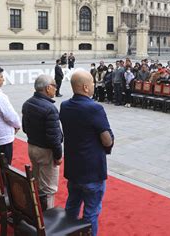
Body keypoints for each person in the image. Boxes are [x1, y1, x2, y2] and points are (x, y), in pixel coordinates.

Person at [60, 70, 114, 236]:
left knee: (72, 205)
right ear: (85, 87)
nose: (93, 85)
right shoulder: (94, 108)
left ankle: (68, 232)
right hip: (91, 169)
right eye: (92, 83)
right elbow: (106, 139)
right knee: (91, 211)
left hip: (74, 166)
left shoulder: (64, 105)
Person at [22, 74, 63, 209]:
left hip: (32, 147)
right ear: (48, 88)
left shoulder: (27, 103)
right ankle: (48, 221)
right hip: (46, 151)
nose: (56, 89)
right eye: (54, 86)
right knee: (49, 189)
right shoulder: (50, 109)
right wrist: (58, 156)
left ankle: (35, 211)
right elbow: (54, 137)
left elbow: (25, 128)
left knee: (38, 182)